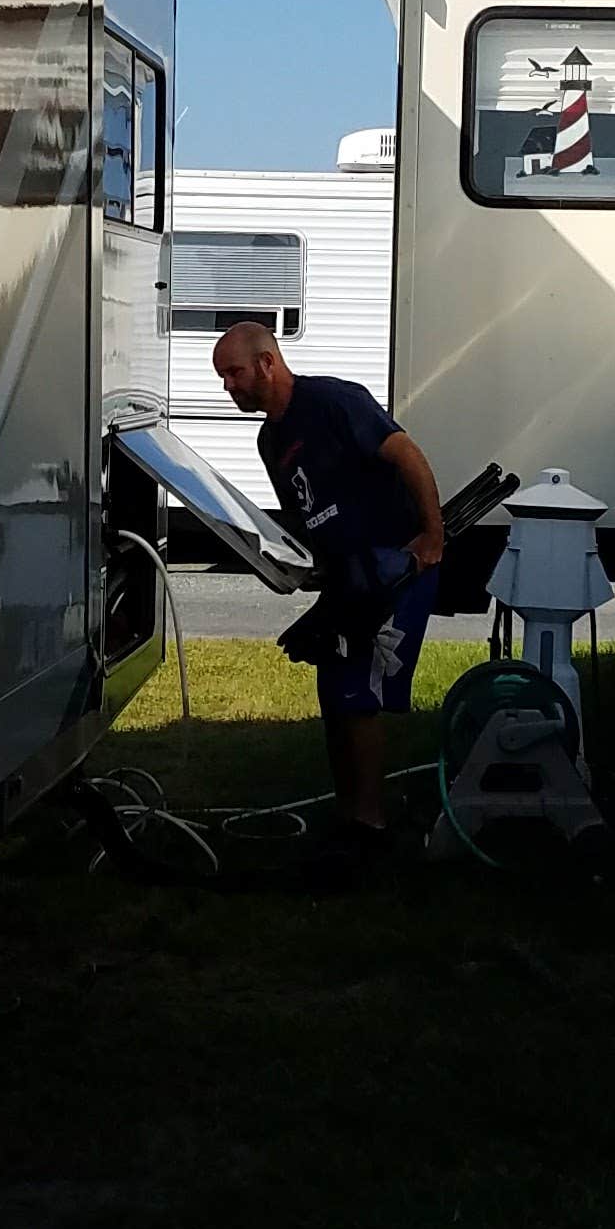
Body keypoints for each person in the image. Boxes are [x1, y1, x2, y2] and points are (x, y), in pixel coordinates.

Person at [209, 320, 446, 865]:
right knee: (333, 688)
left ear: (268, 363)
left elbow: (406, 453)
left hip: (395, 565)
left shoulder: (334, 401)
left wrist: (432, 537)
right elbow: (304, 517)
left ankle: (370, 829)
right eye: (222, 377)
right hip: (347, 577)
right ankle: (350, 815)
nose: (228, 386)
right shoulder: (271, 440)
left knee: (357, 691)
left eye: (234, 372)